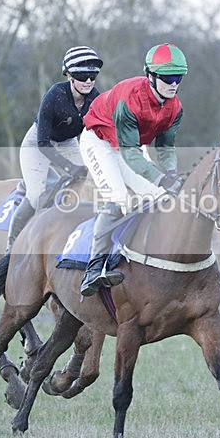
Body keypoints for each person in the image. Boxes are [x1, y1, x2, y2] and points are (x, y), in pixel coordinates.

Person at [78, 42, 188, 296]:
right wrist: (160, 178)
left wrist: (170, 173)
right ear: (150, 76)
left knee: (159, 198)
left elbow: (166, 147)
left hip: (130, 145)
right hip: (100, 141)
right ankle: (93, 270)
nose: (174, 84)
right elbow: (128, 154)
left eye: (179, 77)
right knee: (120, 199)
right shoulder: (131, 99)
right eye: (168, 77)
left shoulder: (175, 107)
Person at [5, 46, 102, 252]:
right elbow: (43, 144)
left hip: (68, 143)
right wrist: (69, 168)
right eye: (82, 75)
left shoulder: (95, 98)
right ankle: (11, 247)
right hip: (38, 144)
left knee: (92, 181)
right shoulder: (54, 95)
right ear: (69, 75)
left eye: (92, 75)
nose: (88, 81)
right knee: (36, 195)